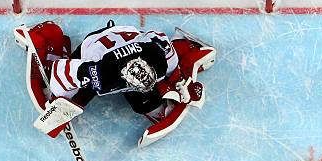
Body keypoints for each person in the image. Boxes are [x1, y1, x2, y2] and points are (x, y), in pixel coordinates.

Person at [14, 20, 215, 147]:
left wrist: (178, 81)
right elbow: (60, 73)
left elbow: (158, 38)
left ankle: (186, 46)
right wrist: (59, 101)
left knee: (145, 101)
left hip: (128, 35)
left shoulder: (161, 57)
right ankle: (46, 39)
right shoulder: (98, 74)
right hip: (94, 46)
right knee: (58, 89)